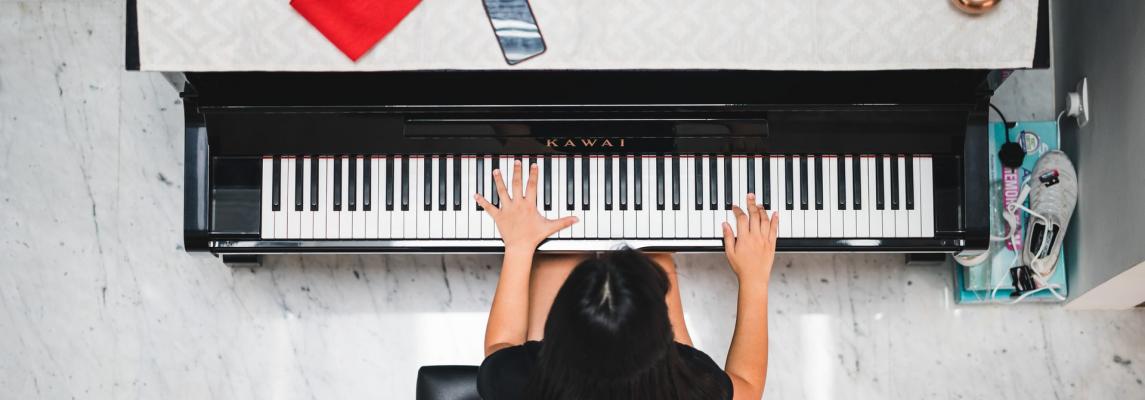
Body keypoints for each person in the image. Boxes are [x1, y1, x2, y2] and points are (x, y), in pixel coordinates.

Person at [474, 160, 777, 400]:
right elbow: (748, 387)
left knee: (558, 254)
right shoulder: (690, 385)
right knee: (655, 258)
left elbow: (500, 345)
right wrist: (754, 277)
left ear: (555, 334)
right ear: (664, 341)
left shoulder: (519, 383)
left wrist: (519, 245)